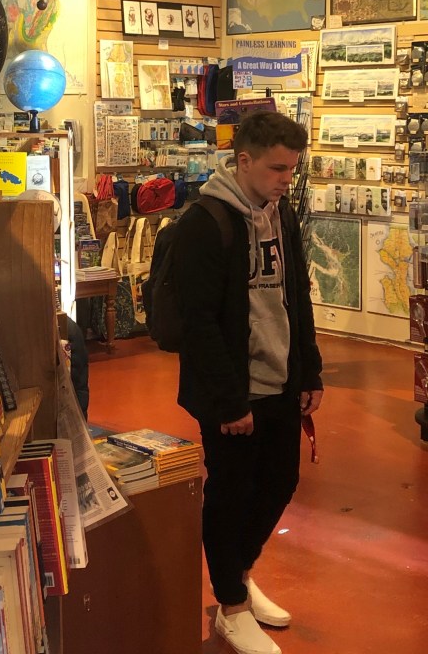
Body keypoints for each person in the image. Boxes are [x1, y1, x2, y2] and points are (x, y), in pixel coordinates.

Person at [172, 112, 323, 654]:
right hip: (231, 390)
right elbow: (198, 323)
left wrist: (310, 371)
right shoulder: (205, 222)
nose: (286, 179)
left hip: (280, 379)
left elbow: (296, 297)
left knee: (280, 483)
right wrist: (231, 401)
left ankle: (239, 573)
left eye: (292, 169)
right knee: (230, 494)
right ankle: (231, 605)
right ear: (243, 160)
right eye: (277, 169)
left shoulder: (282, 215)